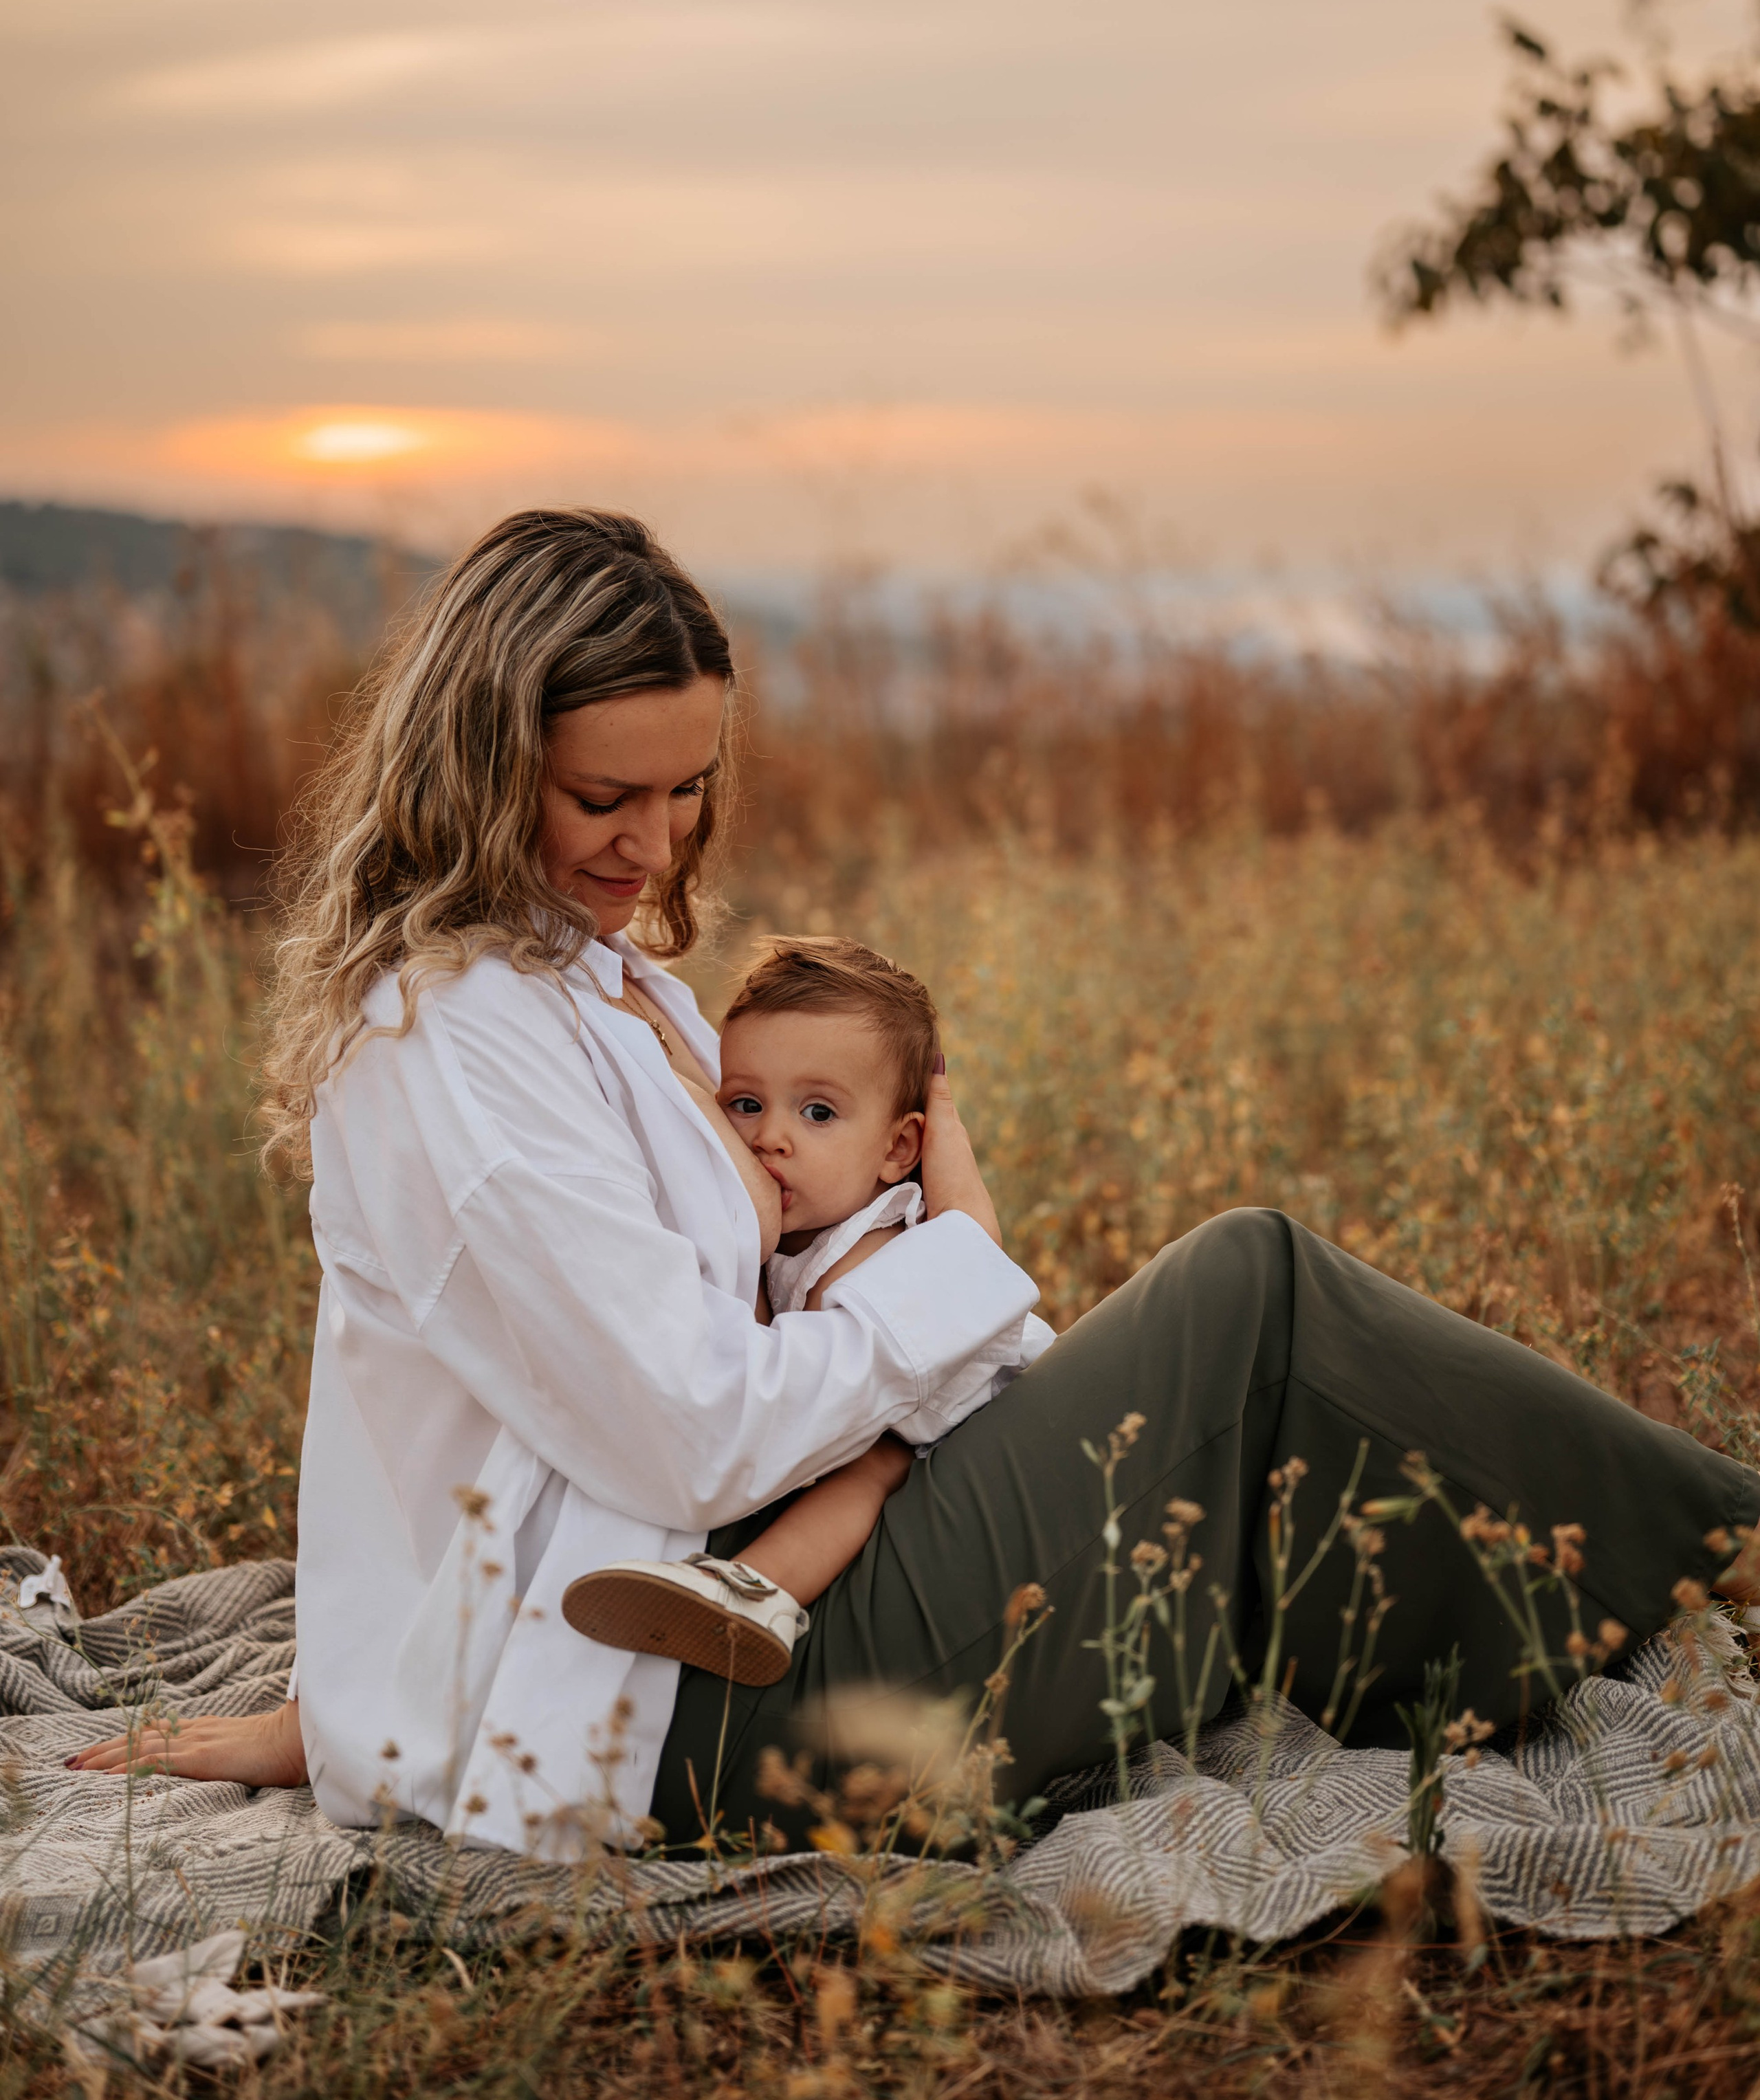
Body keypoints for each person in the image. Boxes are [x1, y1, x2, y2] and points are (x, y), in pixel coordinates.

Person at [68, 507, 1760, 1859]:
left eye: (684, 792)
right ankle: (1711, 1547)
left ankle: (1562, 1613)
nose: (648, 850)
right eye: (599, 795)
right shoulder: (458, 1052)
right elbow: (691, 1428)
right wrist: (956, 1264)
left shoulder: (589, 975)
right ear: (469, 758)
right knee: (1252, 1298)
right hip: (650, 1707)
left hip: (714, 1598)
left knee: (1242, 1389)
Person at [560, 937, 1055, 1683]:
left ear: (898, 1150)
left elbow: (830, 1385)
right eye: (745, 1104)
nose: (771, 1136)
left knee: (866, 1464)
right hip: (916, 1418)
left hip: (978, 1418)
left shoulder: (866, 1244)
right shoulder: (799, 1242)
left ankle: (758, 1588)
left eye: (818, 1111)